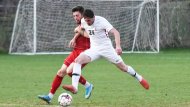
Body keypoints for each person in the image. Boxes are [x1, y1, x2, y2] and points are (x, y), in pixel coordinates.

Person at [63, 9, 150, 94]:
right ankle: (74, 87)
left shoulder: (102, 21)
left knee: (123, 68)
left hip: (107, 49)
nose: (88, 22)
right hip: (94, 49)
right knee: (78, 60)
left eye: (89, 21)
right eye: (86, 21)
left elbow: (116, 32)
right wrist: (76, 35)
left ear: (94, 17)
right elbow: (84, 31)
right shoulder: (83, 21)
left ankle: (139, 78)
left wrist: (118, 46)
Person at [38, 6, 94, 104]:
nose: (75, 17)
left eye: (77, 15)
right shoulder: (82, 23)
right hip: (76, 51)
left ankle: (88, 85)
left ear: (82, 15)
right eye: (74, 16)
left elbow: (89, 35)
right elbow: (79, 30)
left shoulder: (88, 22)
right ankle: (49, 97)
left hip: (85, 53)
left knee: (70, 71)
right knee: (60, 72)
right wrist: (74, 39)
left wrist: (77, 31)